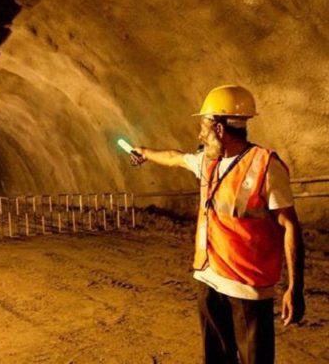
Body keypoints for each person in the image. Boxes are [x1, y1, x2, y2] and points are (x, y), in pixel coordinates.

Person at [129, 85, 305, 364]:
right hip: (208, 279)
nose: (200, 135)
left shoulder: (265, 166)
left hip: (247, 287)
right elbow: (174, 158)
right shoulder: (208, 162)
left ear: (219, 129)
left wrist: (295, 288)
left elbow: (290, 226)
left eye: (203, 127)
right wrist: (144, 152)